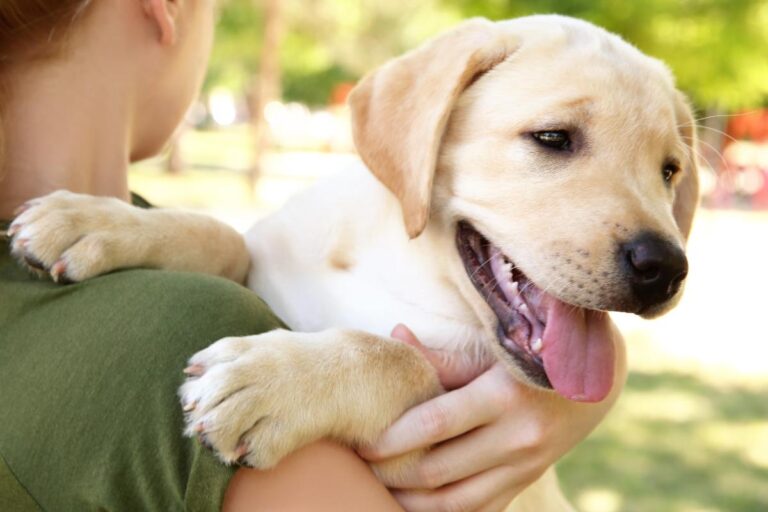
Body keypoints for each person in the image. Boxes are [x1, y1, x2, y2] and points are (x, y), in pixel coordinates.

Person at [0, 1, 627, 511]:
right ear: (167, 7)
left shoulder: (96, 246)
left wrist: (577, 370)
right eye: (552, 139)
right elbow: (415, 463)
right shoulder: (179, 333)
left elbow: (270, 274)